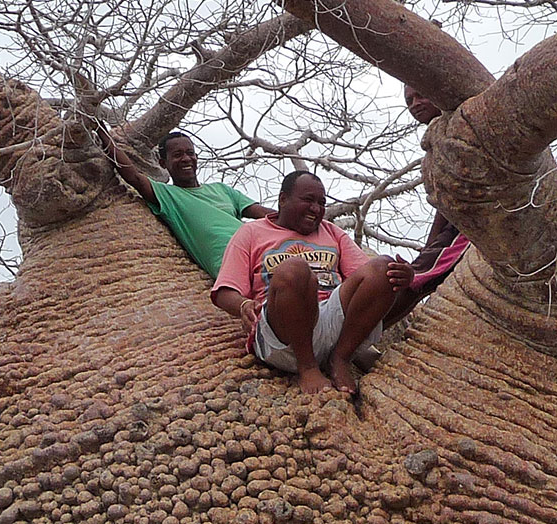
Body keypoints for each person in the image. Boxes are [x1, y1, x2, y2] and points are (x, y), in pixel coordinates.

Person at [211, 171, 415, 394]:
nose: (316, 209)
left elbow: (368, 277)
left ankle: (340, 359)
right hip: (283, 333)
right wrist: (243, 305)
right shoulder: (251, 232)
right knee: (294, 269)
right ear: (283, 199)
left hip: (332, 322)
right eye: (308, 200)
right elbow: (225, 290)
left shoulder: (332, 232)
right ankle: (307, 367)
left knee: (384, 266)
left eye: (321, 203)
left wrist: (402, 276)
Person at [100, 128, 275, 277]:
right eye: (177, 155)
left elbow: (263, 213)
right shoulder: (167, 195)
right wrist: (101, 132)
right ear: (163, 163)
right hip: (236, 267)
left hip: (265, 251)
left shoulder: (222, 189)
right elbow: (134, 177)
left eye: (190, 153)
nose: (186, 159)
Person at [383, 86, 472, 326]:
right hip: (455, 228)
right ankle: (368, 334)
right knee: (417, 280)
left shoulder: (460, 131)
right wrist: (430, 247)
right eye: (409, 100)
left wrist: (430, 250)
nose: (414, 104)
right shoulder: (437, 142)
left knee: (414, 279)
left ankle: (362, 334)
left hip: (470, 228)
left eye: (421, 95)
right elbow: (444, 202)